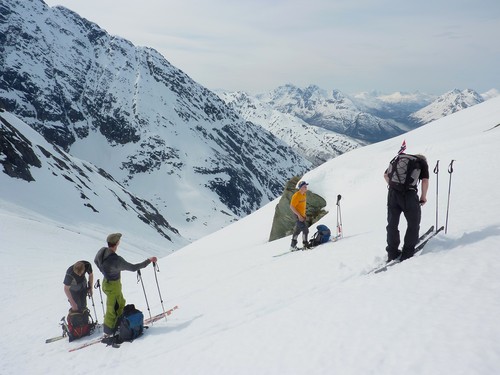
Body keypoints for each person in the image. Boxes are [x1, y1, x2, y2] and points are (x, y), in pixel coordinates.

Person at [94, 233, 157, 335]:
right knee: (113, 307)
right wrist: (149, 261)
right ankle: (109, 330)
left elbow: (96, 261)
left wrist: (104, 271)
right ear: (117, 243)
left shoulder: (102, 251)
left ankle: (119, 323)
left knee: (120, 303)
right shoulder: (116, 260)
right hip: (114, 285)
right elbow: (133, 268)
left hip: (106, 282)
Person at [384, 154, 429, 262]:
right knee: (413, 223)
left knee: (392, 224)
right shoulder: (422, 163)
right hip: (408, 195)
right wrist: (423, 196)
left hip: (392, 194)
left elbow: (385, 175)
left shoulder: (399, 159)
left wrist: (394, 187)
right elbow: (425, 181)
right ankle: (407, 253)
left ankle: (392, 253)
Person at [289, 181, 310, 250]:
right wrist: (299, 216)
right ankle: (305, 244)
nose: (306, 187)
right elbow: (292, 206)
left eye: (306, 186)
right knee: (305, 229)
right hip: (297, 215)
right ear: (300, 188)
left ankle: (292, 246)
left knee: (297, 230)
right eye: (304, 186)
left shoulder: (304, 194)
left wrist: (304, 215)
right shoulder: (296, 196)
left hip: (301, 215)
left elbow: (302, 206)